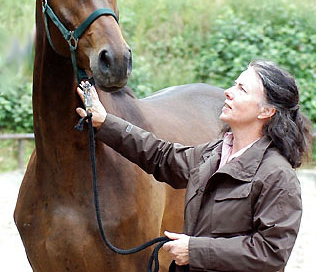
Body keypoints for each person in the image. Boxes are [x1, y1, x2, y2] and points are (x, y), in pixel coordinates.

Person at [76, 60, 312, 272]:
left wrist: (194, 250)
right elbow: (162, 156)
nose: (228, 93)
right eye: (234, 85)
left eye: (241, 90)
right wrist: (106, 122)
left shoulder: (278, 176)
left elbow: (271, 253)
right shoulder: (215, 153)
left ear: (266, 111)